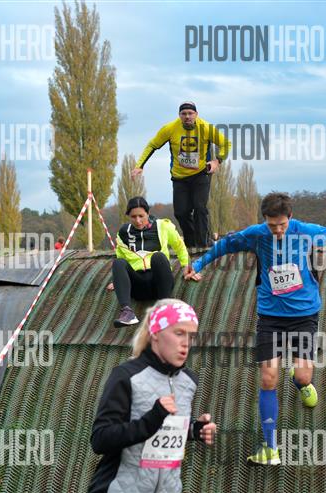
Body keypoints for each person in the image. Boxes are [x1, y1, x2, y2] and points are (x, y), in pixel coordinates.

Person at [183, 192, 326, 465]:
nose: (277, 230)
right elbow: (225, 245)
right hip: (270, 317)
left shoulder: (306, 232)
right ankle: (270, 448)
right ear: (265, 220)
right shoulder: (256, 235)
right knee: (268, 379)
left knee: (303, 375)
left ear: (290, 218)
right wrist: (197, 265)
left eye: (282, 225)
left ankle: (301, 383)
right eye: (272, 225)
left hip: (304, 316)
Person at [88, 299, 216, 493]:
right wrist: (152, 419)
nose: (186, 343)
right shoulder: (127, 375)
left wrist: (194, 430)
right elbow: (100, 440)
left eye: (191, 336)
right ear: (155, 333)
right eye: (179, 333)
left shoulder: (189, 381)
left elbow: (166, 430)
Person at [132, 102, 232, 248]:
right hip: (179, 177)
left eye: (190, 113)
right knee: (181, 212)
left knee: (200, 208)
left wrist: (217, 161)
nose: (187, 117)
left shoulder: (206, 128)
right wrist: (139, 166)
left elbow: (226, 143)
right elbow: (152, 145)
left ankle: (203, 245)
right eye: (184, 114)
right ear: (179, 115)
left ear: (196, 115)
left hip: (201, 173)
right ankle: (190, 244)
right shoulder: (170, 129)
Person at [110, 196, 190, 327]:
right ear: (128, 216)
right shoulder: (124, 233)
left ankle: (165, 310)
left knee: (158, 257)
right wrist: (118, 280)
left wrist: (186, 265)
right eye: (133, 217)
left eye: (141, 216)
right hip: (137, 286)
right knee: (118, 262)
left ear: (148, 213)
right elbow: (121, 255)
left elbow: (179, 246)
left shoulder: (163, 226)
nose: (138, 220)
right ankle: (127, 313)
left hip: (158, 283)